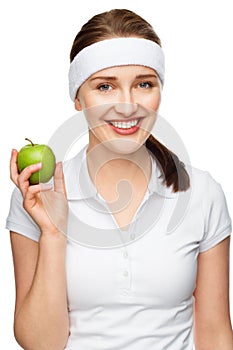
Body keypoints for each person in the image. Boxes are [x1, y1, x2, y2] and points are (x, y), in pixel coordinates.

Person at [6, 8, 233, 350]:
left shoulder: (201, 193)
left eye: (144, 84)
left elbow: (215, 334)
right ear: (78, 99)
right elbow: (41, 343)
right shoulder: (38, 195)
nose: (127, 106)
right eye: (105, 87)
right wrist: (53, 233)